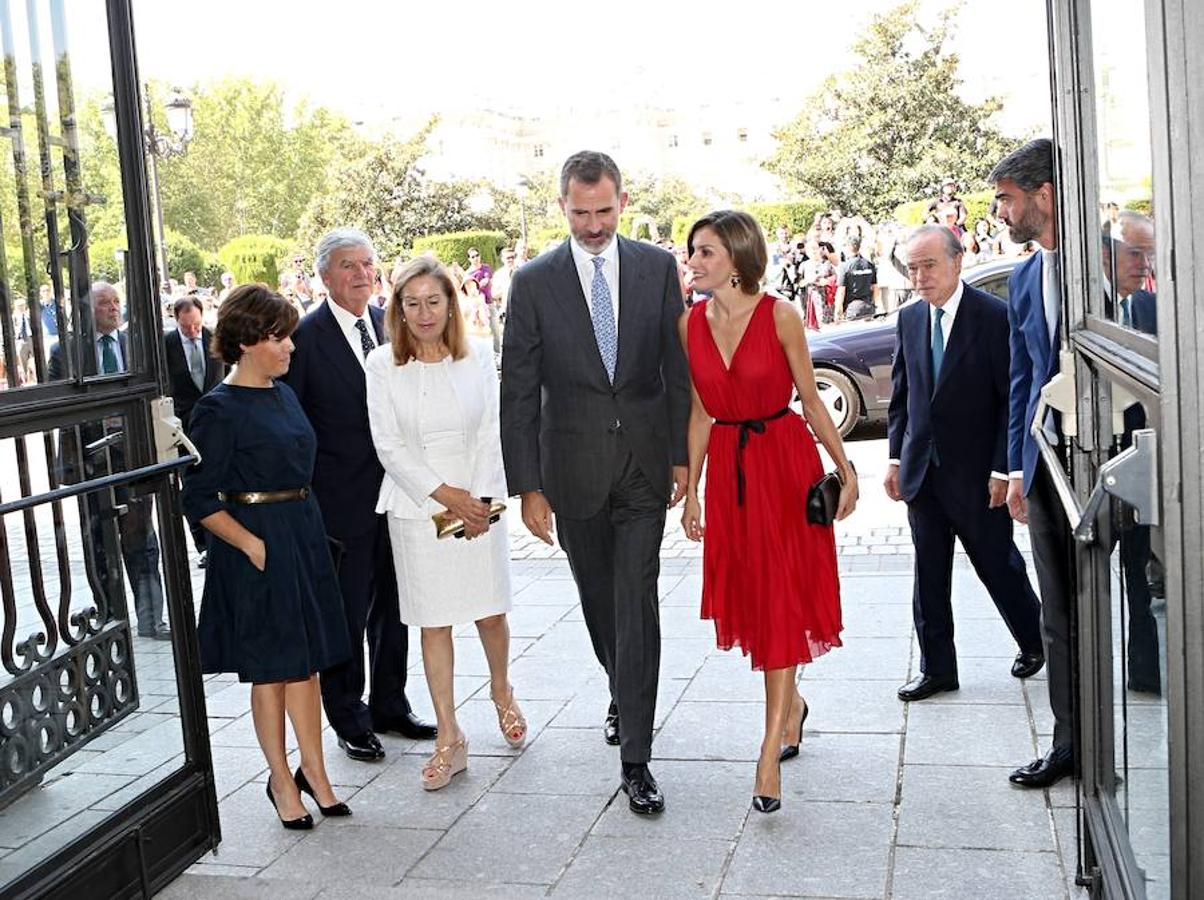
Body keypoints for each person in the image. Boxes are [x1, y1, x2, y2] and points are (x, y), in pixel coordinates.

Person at [500, 151, 690, 816]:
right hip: (571, 470)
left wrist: (680, 459)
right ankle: (623, 685)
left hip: (642, 463)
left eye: (604, 211)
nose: (592, 224)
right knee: (600, 600)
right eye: (580, 213)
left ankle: (635, 756)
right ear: (562, 207)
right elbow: (518, 389)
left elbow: (676, 367)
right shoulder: (532, 282)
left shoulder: (657, 268)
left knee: (636, 600)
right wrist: (527, 486)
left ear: (623, 200)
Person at [679, 210, 855, 814]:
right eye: (692, 252)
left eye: (705, 252)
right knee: (757, 599)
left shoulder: (780, 314)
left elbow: (810, 398)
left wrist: (847, 469)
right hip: (730, 473)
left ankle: (766, 754)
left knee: (782, 600)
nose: (694, 262)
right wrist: (694, 489)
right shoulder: (690, 325)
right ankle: (793, 706)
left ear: (735, 258)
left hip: (783, 466)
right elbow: (701, 412)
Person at [182, 284, 352, 830]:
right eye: (281, 337)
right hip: (256, 544)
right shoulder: (217, 409)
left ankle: (316, 773)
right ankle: (281, 780)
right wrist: (252, 544)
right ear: (250, 339)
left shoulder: (283, 393)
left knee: (306, 666)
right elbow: (198, 498)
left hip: (300, 533)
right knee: (272, 671)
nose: (290, 348)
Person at [366, 257, 525, 790]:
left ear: (451, 305)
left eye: (434, 301)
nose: (423, 312)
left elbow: (490, 428)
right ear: (399, 310)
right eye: (412, 303)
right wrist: (445, 496)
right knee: (433, 623)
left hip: (479, 501)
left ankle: (501, 689)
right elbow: (387, 443)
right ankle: (449, 737)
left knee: (488, 612)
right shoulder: (381, 364)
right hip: (417, 509)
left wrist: (476, 499)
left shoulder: (477, 353)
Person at [282, 227, 435, 763]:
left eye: (368, 264)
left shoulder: (390, 327)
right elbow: (295, 425)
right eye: (348, 266)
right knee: (346, 614)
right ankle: (347, 715)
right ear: (324, 276)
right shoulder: (305, 337)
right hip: (341, 504)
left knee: (397, 607)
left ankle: (390, 704)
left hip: (399, 497)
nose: (361, 274)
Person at [885, 226, 1046, 702]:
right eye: (912, 268)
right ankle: (937, 668)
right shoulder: (909, 319)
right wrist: (895, 459)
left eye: (928, 265)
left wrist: (1003, 469)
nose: (919, 277)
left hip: (978, 476)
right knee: (928, 574)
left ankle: (1036, 638)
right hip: (923, 473)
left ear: (957, 261)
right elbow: (902, 398)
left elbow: (1010, 401)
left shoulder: (993, 317)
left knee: (998, 565)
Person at [991, 139, 1076, 789]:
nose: (1000, 213)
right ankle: (1069, 742)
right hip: (1046, 468)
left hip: (1111, 460)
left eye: (1006, 199)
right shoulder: (1024, 275)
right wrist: (1019, 470)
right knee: (1058, 614)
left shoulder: (1103, 261)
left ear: (1042, 196)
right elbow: (1023, 379)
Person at [49, 282, 170, 640]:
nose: (114, 308)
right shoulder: (66, 350)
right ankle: (111, 615)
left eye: (117, 302)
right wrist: (98, 417)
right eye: (105, 303)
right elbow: (57, 405)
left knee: (143, 540)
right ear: (89, 312)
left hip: (133, 458)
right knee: (99, 540)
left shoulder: (138, 344)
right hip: (90, 461)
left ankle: (152, 619)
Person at [164, 296, 225, 566]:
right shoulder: (166, 345)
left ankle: (221, 538)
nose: (192, 331)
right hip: (184, 427)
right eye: (186, 326)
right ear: (176, 320)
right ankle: (202, 543)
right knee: (191, 483)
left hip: (216, 423)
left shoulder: (215, 338)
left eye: (196, 325)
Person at [834, 235, 877, 321]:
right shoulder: (869, 264)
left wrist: (838, 311)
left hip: (852, 308)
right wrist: (873, 303)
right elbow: (875, 288)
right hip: (868, 306)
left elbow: (841, 291)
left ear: (848, 247)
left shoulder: (845, 267)